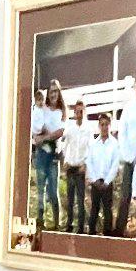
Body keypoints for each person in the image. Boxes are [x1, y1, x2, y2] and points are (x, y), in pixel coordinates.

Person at [30, 81, 65, 228]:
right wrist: (37, 137)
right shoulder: (41, 109)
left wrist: (44, 137)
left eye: (56, 91)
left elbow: (59, 132)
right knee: (40, 190)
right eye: (51, 91)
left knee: (53, 191)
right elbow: (35, 128)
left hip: (53, 155)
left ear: (59, 93)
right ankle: (40, 221)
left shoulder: (61, 112)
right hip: (41, 153)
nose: (53, 94)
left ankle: (56, 223)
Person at [85, 113, 125, 236]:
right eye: (102, 124)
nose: (104, 127)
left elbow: (115, 164)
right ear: (99, 126)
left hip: (107, 183)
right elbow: (89, 162)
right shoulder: (93, 144)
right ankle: (91, 233)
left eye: (106, 124)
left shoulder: (114, 144)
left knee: (107, 209)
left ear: (110, 125)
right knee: (94, 209)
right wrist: (94, 179)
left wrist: (107, 181)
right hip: (96, 182)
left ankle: (108, 235)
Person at [59, 98, 94, 233]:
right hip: (71, 166)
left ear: (84, 112)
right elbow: (65, 145)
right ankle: (69, 224)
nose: (79, 114)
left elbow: (91, 149)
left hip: (80, 167)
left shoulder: (88, 130)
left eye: (81, 111)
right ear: (74, 112)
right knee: (70, 198)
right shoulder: (70, 128)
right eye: (77, 111)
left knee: (80, 199)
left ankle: (80, 226)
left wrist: (86, 164)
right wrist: (65, 161)